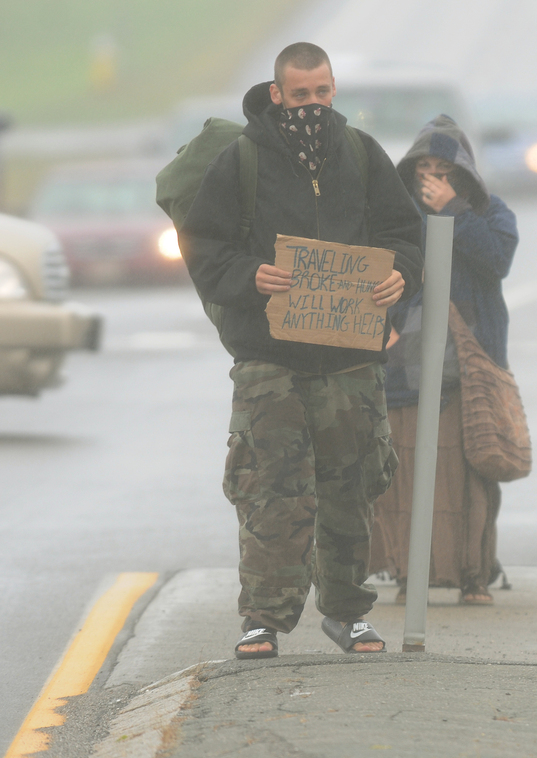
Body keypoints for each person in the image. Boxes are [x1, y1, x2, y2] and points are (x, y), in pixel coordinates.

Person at [179, 42, 424, 658]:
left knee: (354, 484)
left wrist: (402, 275)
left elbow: (401, 233)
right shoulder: (242, 161)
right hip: (270, 357)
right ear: (277, 93)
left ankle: (346, 612)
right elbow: (203, 245)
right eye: (300, 94)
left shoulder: (364, 155)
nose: (312, 104)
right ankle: (263, 618)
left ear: (334, 90)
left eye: (322, 92)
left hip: (349, 356)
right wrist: (250, 276)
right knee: (271, 486)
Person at [369, 114, 518, 605]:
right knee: (404, 475)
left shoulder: (490, 212)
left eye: (443, 169)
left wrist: (452, 211)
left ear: (463, 173)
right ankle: (410, 574)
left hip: (467, 369)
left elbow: (495, 260)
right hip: (402, 368)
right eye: (423, 168)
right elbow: (375, 275)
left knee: (469, 475)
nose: (431, 178)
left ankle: (473, 575)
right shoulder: (394, 218)